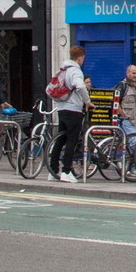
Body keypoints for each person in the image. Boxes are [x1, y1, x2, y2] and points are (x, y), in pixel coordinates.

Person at [47, 45, 89, 182]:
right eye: (83, 58)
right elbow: (81, 86)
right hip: (73, 110)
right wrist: (87, 101)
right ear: (80, 57)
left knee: (61, 139)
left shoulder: (62, 70)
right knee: (72, 140)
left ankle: (53, 171)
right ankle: (66, 171)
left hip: (61, 108)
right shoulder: (76, 71)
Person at [112, 62, 136, 169]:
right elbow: (115, 102)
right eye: (133, 73)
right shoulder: (122, 85)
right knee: (135, 141)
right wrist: (123, 115)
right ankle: (128, 162)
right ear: (127, 73)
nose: (135, 75)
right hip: (128, 120)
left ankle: (132, 167)